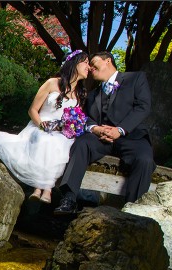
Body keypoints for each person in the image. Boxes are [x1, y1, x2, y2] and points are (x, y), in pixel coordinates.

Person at [0, 50, 90, 204]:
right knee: (43, 139)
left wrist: (70, 127)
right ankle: (40, 188)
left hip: (61, 132)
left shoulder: (81, 93)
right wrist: (43, 124)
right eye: (86, 62)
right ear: (74, 63)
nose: (89, 66)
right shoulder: (52, 83)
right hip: (40, 125)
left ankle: (44, 189)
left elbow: (76, 120)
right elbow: (32, 110)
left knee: (60, 143)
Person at [53, 51, 155, 215]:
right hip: (100, 139)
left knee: (145, 160)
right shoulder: (92, 94)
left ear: (108, 61)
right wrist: (96, 129)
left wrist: (120, 130)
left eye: (93, 63)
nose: (90, 68)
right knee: (81, 144)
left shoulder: (136, 79)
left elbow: (143, 107)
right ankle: (69, 199)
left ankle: (133, 213)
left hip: (132, 137)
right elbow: (86, 118)